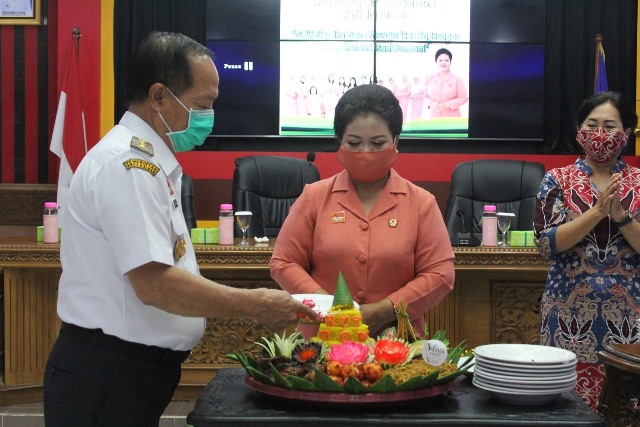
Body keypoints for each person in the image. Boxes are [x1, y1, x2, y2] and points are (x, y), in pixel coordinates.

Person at [42, 32, 318, 427]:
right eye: (202, 104)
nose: (209, 116)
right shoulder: (127, 166)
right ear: (159, 97)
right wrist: (257, 305)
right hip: (107, 371)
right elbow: (156, 284)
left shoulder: (150, 163)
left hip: (127, 369)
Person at [270, 84, 455, 338]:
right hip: (322, 341)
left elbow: (440, 274)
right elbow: (283, 262)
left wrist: (384, 310)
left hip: (397, 344)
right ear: (340, 143)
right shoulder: (314, 197)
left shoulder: (421, 203)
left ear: (396, 141)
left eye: (378, 143)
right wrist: (327, 305)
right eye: (354, 143)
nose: (365, 153)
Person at [534, 91, 640, 412]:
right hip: (568, 320)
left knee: (624, 411)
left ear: (627, 133)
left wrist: (620, 215)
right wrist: (596, 213)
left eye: (609, 126)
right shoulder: (557, 180)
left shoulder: (638, 182)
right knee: (565, 409)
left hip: (628, 320)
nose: (600, 134)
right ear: (579, 130)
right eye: (591, 125)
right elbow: (547, 243)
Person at [424, 48, 468, 118]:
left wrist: (447, 104)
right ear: (436, 61)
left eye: (446, 60)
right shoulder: (429, 78)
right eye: (440, 60)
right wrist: (432, 104)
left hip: (452, 118)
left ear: (450, 62)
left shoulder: (457, 79)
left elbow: (463, 98)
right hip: (433, 117)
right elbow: (424, 96)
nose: (443, 63)